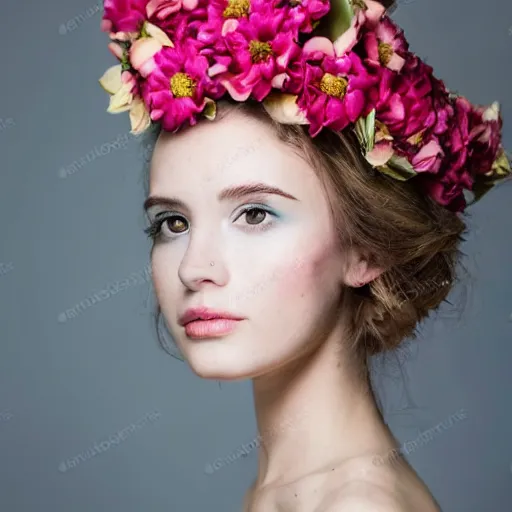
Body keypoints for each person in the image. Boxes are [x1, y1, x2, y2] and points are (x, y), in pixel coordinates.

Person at [98, 0, 510, 510]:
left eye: (254, 215)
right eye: (173, 223)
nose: (193, 268)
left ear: (366, 249)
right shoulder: (286, 492)